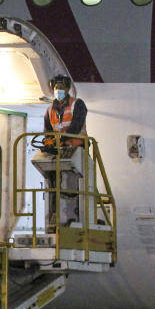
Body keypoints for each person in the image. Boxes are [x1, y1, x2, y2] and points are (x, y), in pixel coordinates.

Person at [40, 74, 88, 229]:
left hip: (77, 151)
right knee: (55, 185)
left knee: (75, 187)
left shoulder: (77, 104)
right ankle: (56, 219)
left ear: (68, 89)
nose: (58, 91)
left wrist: (60, 141)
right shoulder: (49, 111)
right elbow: (47, 131)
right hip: (60, 153)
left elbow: (75, 127)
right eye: (56, 88)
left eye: (61, 88)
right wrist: (48, 145)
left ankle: (77, 219)